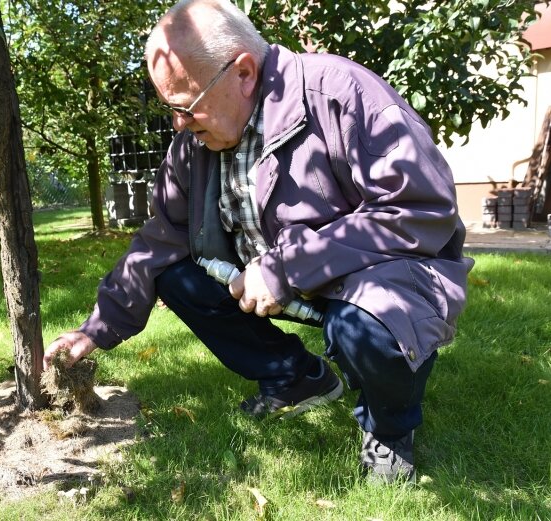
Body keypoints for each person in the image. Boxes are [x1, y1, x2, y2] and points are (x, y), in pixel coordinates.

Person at [43, 0, 473, 484]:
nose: (179, 124)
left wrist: (288, 268)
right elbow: (160, 237)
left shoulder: (341, 93)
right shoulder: (196, 141)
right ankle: (298, 377)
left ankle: (388, 427)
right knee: (173, 274)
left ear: (243, 73)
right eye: (172, 110)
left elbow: (418, 208)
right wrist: (96, 328)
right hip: (269, 283)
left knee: (368, 327)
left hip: (378, 276)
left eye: (185, 106)